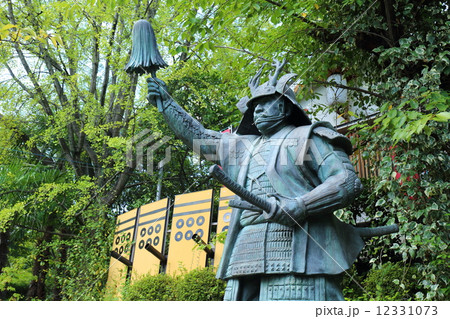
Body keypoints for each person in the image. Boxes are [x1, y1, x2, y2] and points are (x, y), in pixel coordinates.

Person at [147, 60, 364, 300]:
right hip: (245, 248)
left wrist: (301, 205)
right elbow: (199, 136)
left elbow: (346, 181)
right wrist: (166, 102)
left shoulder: (310, 137)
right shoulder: (242, 146)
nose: (257, 110)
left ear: (284, 108)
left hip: (300, 244)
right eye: (255, 106)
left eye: (265, 104)